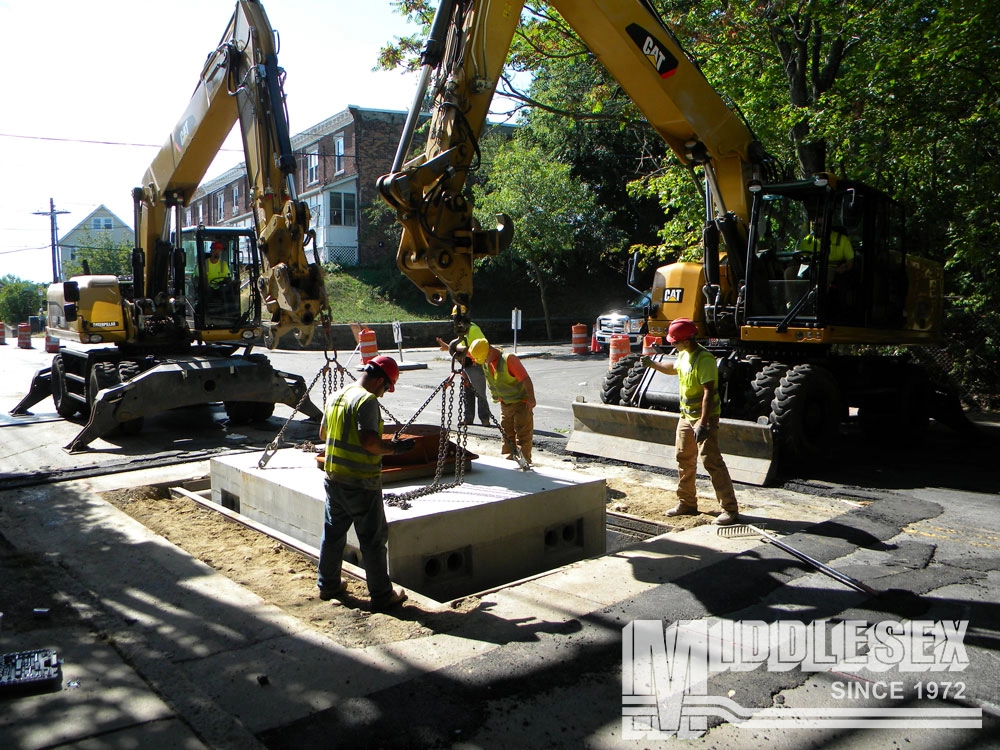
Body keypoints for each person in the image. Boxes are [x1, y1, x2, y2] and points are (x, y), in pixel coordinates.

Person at [317, 354, 413, 612]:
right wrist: (395, 449)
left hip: (333, 478)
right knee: (372, 539)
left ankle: (328, 585)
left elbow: (323, 433)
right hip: (361, 483)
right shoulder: (366, 401)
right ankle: (382, 596)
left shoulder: (337, 396)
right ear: (380, 380)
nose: (383, 394)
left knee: (333, 534)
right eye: (386, 388)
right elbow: (369, 443)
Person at [641, 318, 740, 525]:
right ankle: (687, 503)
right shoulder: (684, 353)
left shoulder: (704, 359)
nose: (672, 345)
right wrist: (652, 364)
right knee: (683, 457)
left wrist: (703, 424)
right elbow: (673, 368)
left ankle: (729, 509)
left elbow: (708, 392)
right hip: (686, 416)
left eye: (675, 342)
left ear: (686, 340)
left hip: (704, 418)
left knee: (711, 461)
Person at [468, 338, 535, 466]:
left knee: (523, 434)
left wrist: (531, 398)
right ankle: (510, 459)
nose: (483, 362)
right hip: (505, 403)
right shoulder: (485, 358)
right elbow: (464, 352)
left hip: (522, 402)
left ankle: (524, 461)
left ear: (489, 351)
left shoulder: (509, 359)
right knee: (506, 433)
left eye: (484, 359)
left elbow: (525, 379)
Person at [435, 318, 492, 426]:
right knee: (468, 392)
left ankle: (485, 418)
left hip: (475, 365)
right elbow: (460, 351)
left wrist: (451, 348)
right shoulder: (462, 333)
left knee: (480, 393)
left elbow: (481, 347)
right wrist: (448, 347)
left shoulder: (473, 330)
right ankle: (468, 418)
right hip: (465, 365)